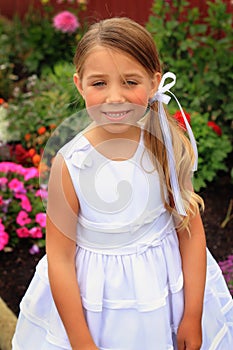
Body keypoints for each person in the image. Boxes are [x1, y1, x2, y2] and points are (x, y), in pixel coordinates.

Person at [12, 17, 233, 350]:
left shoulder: (165, 147)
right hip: (98, 306)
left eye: (130, 81)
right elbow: (59, 259)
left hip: (165, 294)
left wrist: (192, 315)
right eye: (99, 83)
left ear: (154, 81)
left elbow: (190, 231)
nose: (115, 97)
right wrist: (82, 341)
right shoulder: (70, 166)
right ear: (79, 84)